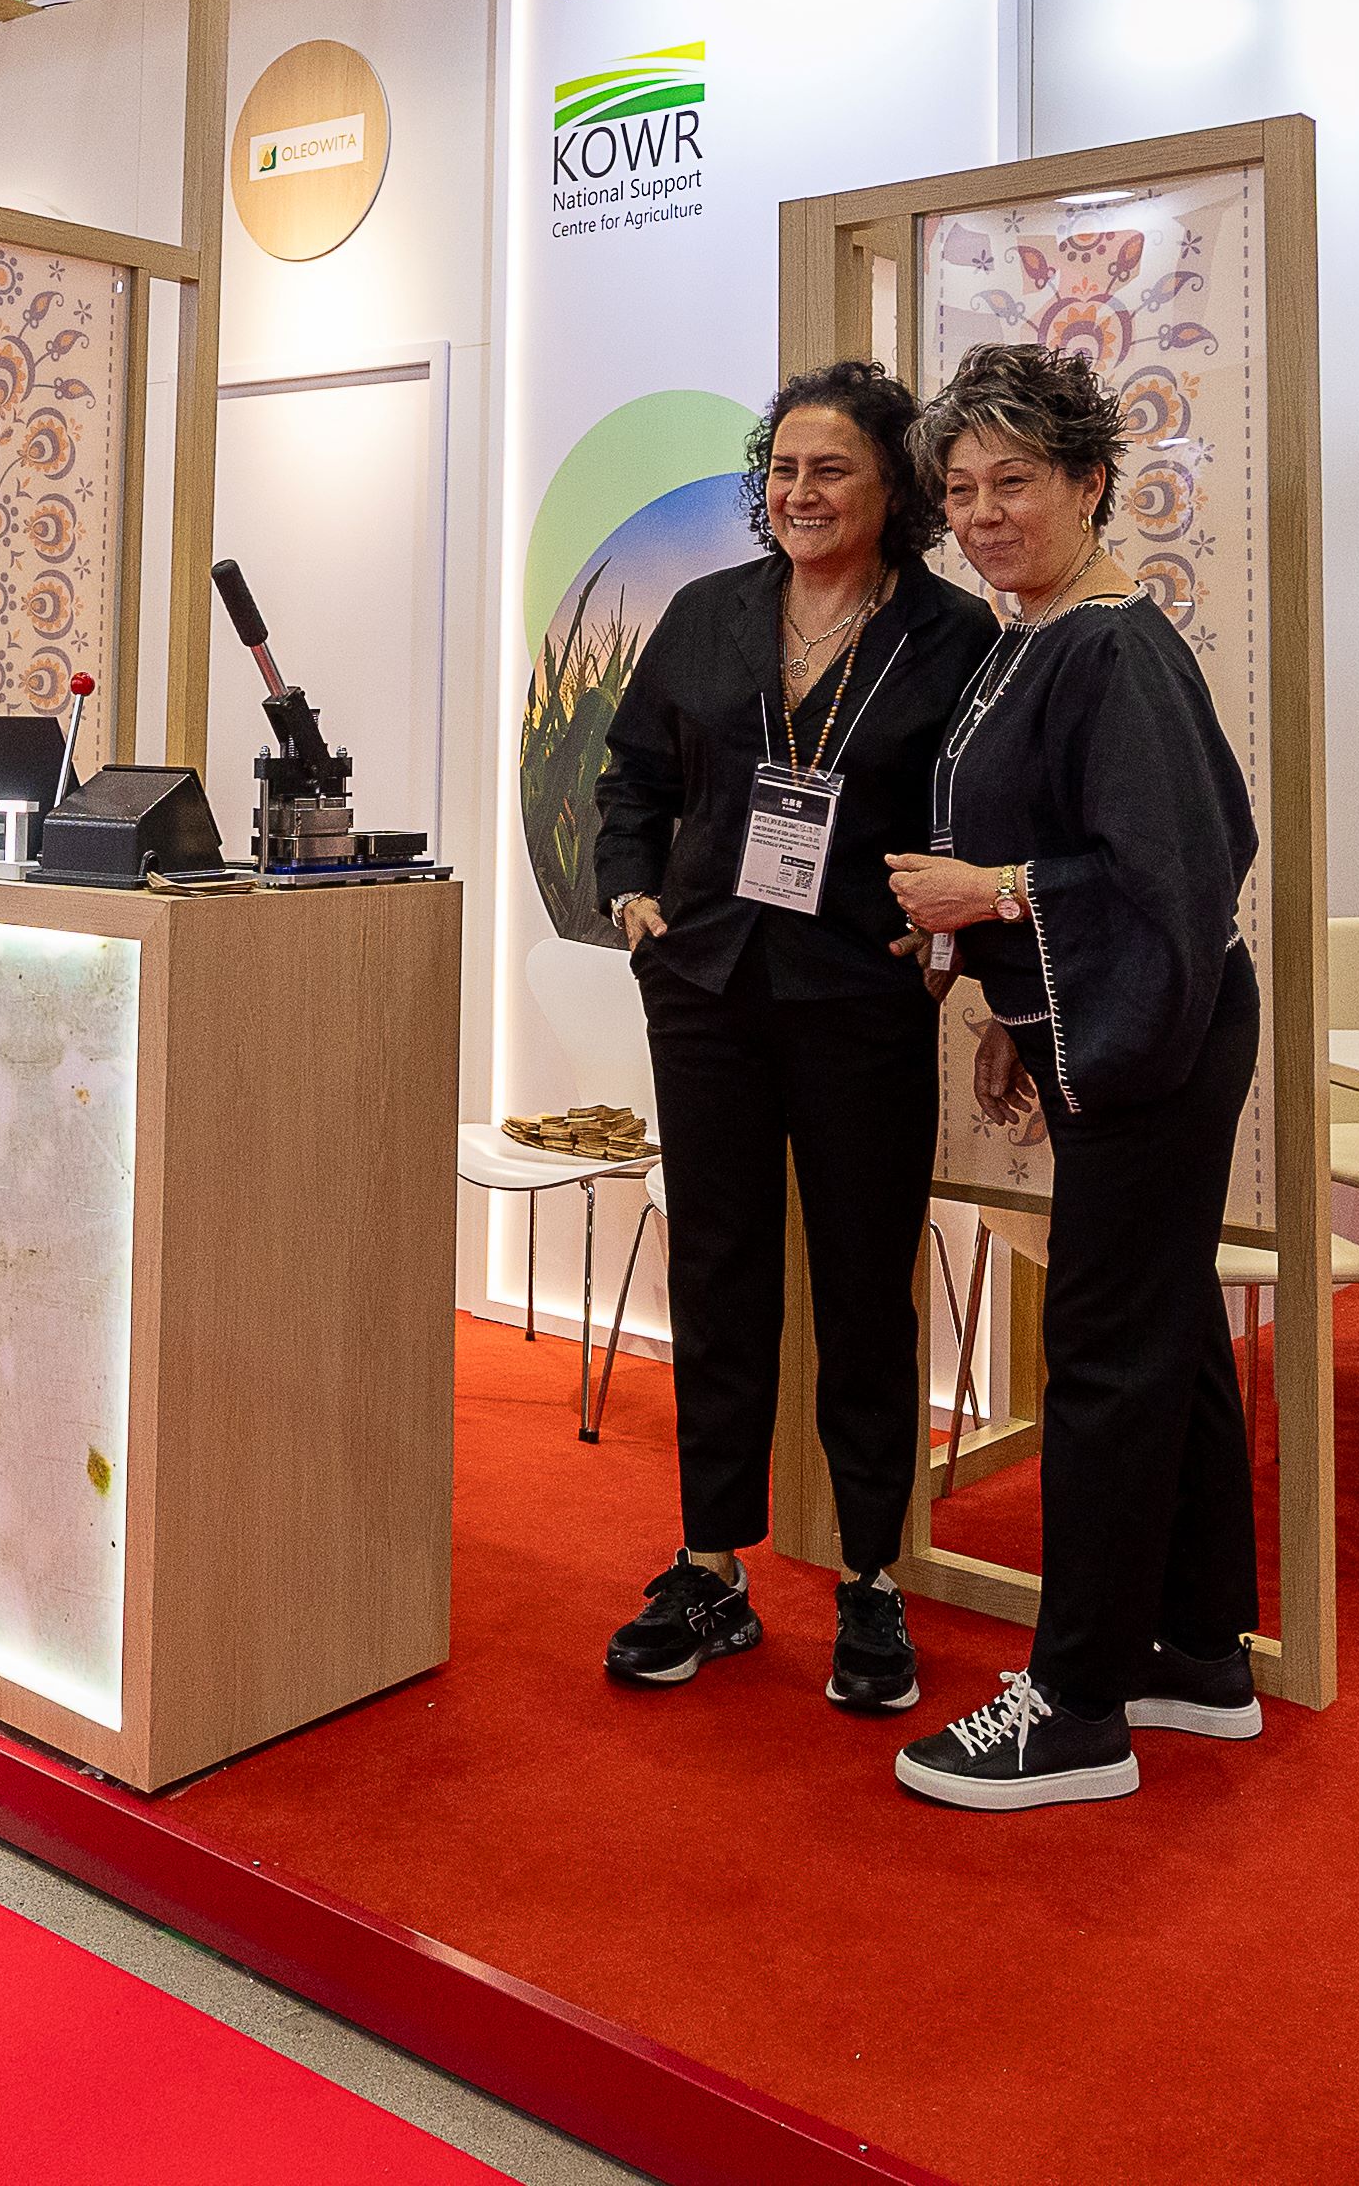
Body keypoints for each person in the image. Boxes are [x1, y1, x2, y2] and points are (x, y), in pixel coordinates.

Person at [880, 341, 1262, 1813]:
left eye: (1015, 482)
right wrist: (1008, 1003)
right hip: (1108, 1023)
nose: (981, 514)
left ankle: (1078, 1704)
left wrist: (990, 898)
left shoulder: (1113, 648)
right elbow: (1077, 857)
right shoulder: (1035, 635)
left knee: (1104, 1353)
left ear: (1092, 481)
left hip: (1158, 1038)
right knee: (1166, 1329)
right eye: (961, 488)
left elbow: (1180, 876)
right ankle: (1198, 1651)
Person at [589, 362, 995, 1716]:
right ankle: (712, 1564)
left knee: (866, 1281)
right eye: (783, 469)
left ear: (895, 488)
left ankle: (872, 1576)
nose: (800, 492)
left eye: (832, 469)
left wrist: (952, 944)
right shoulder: (708, 613)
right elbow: (631, 775)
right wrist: (632, 895)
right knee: (717, 1271)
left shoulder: (952, 634)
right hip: (705, 981)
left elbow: (987, 811)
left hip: (860, 993)